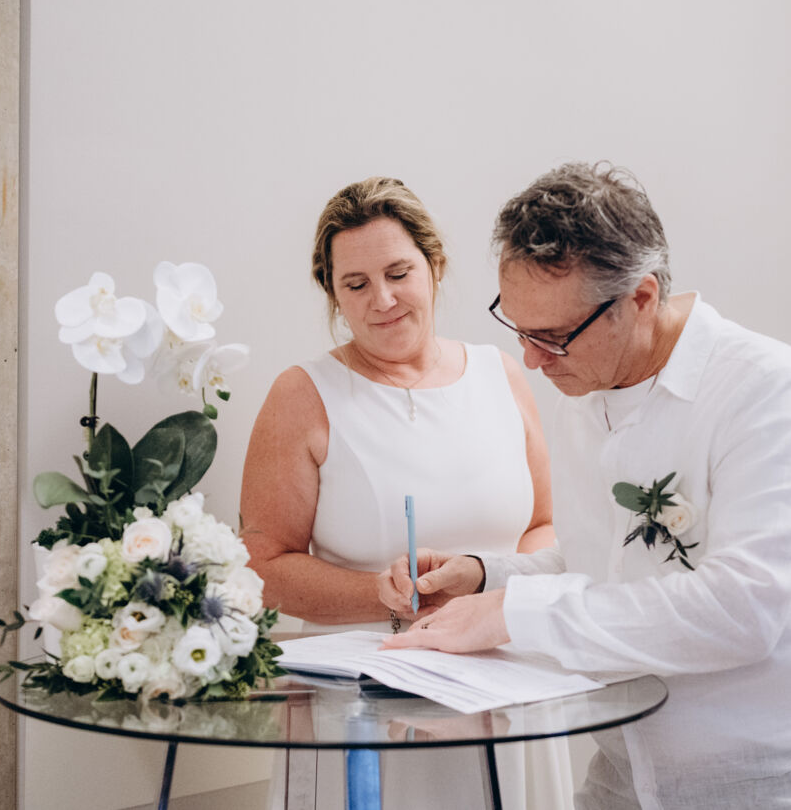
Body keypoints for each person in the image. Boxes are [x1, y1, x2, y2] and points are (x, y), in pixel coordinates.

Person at [380, 162, 791, 810]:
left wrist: (512, 615)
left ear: (641, 298)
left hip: (779, 791)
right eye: (519, 328)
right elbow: (606, 563)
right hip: (623, 782)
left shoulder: (767, 392)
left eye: (553, 336)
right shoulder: (582, 397)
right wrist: (486, 576)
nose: (531, 360)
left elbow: (740, 611)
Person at [240, 176, 573, 809]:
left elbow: (543, 525)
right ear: (333, 294)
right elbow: (261, 565)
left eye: (399, 273)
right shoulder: (303, 394)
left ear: (435, 266)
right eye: (356, 284)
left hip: (505, 675)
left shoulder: (502, 374)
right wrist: (380, 592)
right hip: (365, 697)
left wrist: (494, 590)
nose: (383, 300)